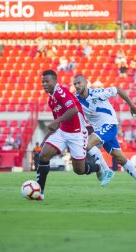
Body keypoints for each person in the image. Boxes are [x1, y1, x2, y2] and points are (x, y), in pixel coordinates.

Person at [73, 74, 136, 198]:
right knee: (120, 159)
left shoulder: (98, 93)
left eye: (79, 83)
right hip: (100, 130)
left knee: (86, 144)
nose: (77, 86)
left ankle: (106, 170)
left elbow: (118, 90)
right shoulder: (75, 98)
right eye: (75, 84)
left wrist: (131, 105)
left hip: (109, 125)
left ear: (86, 82)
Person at [36, 70, 101, 200]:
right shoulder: (51, 100)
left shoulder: (61, 92)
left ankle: (97, 167)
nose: (44, 84)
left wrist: (57, 121)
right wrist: (46, 138)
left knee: (79, 170)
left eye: (47, 81)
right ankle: (39, 191)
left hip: (77, 133)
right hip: (63, 132)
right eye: (42, 81)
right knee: (43, 156)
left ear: (55, 81)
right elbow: (57, 124)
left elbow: (73, 110)